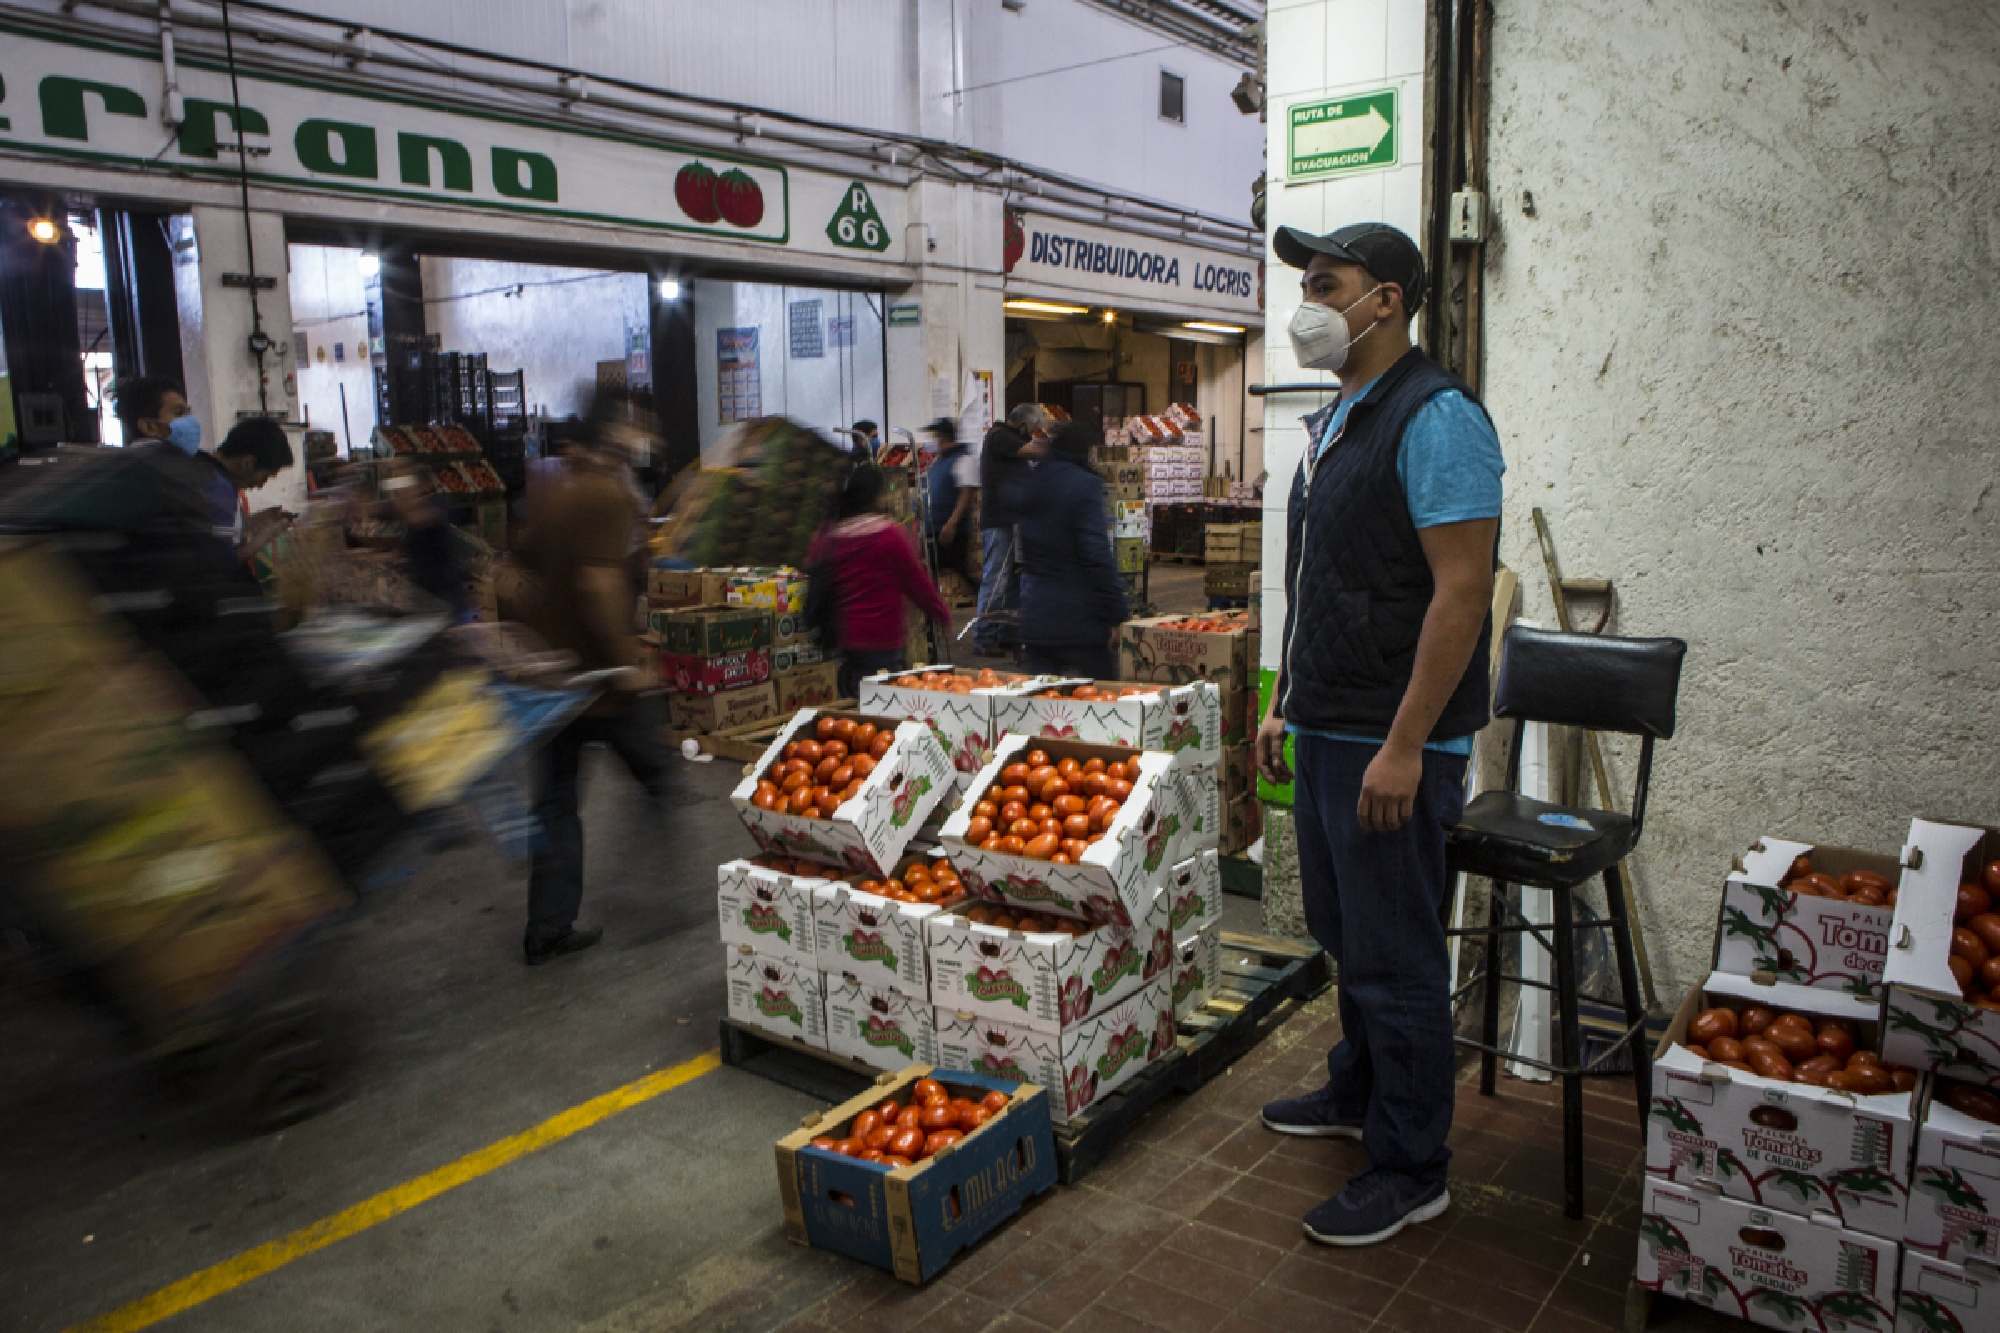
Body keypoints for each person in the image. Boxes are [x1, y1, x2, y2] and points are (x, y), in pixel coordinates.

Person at [1255, 221, 1505, 1248]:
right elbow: (1318, 580)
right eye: (1305, 283)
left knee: (1394, 951)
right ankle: (1356, 1090)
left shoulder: (1435, 416)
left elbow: (1460, 593)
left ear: (1385, 300)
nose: (1307, 301)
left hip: (1391, 736)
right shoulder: (1338, 418)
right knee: (1341, 929)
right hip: (1326, 717)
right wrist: (1282, 702)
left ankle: (1410, 1163)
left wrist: (1407, 743)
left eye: (1326, 282)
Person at [512, 392, 667, 967]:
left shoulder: (558, 492)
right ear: (618, 432)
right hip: (599, 683)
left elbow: (515, 571)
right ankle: (662, 882)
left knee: (554, 804)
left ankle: (546, 927)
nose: (650, 437)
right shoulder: (607, 495)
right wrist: (626, 657)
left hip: (553, 683)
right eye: (642, 427)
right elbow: (596, 583)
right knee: (656, 772)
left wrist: (532, 647)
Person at [809, 462, 953, 697]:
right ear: (875, 496)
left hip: (845, 638)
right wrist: (940, 612)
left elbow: (816, 569)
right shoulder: (887, 536)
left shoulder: (831, 534)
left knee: (856, 702)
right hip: (882, 638)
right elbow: (915, 582)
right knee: (885, 704)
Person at [1015, 420, 1128, 680]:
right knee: (1099, 702)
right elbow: (1096, 555)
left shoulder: (1032, 481)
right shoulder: (1084, 484)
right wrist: (1116, 615)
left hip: (1036, 614)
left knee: (1041, 702)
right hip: (1080, 619)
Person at [974, 403, 1046, 657]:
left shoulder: (1008, 437)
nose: (1034, 435)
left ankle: (1007, 633)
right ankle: (983, 636)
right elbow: (1034, 452)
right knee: (996, 578)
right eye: (1034, 429)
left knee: (1014, 578)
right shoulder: (1000, 436)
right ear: (1023, 424)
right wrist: (1059, 446)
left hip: (1013, 520)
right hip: (1000, 522)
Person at [208, 417, 298, 560]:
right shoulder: (218, 488)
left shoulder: (207, 471)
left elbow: (213, 532)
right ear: (248, 463)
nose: (260, 485)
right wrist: (264, 538)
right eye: (264, 477)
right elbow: (221, 562)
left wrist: (251, 522)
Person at [923, 417, 976, 582]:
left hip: (952, 531)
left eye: (936, 436)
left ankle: (984, 600)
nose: (934, 441)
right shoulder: (939, 462)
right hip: (935, 528)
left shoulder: (963, 460)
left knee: (960, 572)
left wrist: (952, 523)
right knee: (932, 574)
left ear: (944, 437)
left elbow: (966, 494)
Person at [113, 375, 201, 456]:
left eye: (189, 413)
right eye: (179, 413)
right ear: (149, 427)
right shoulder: (171, 467)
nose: (191, 419)